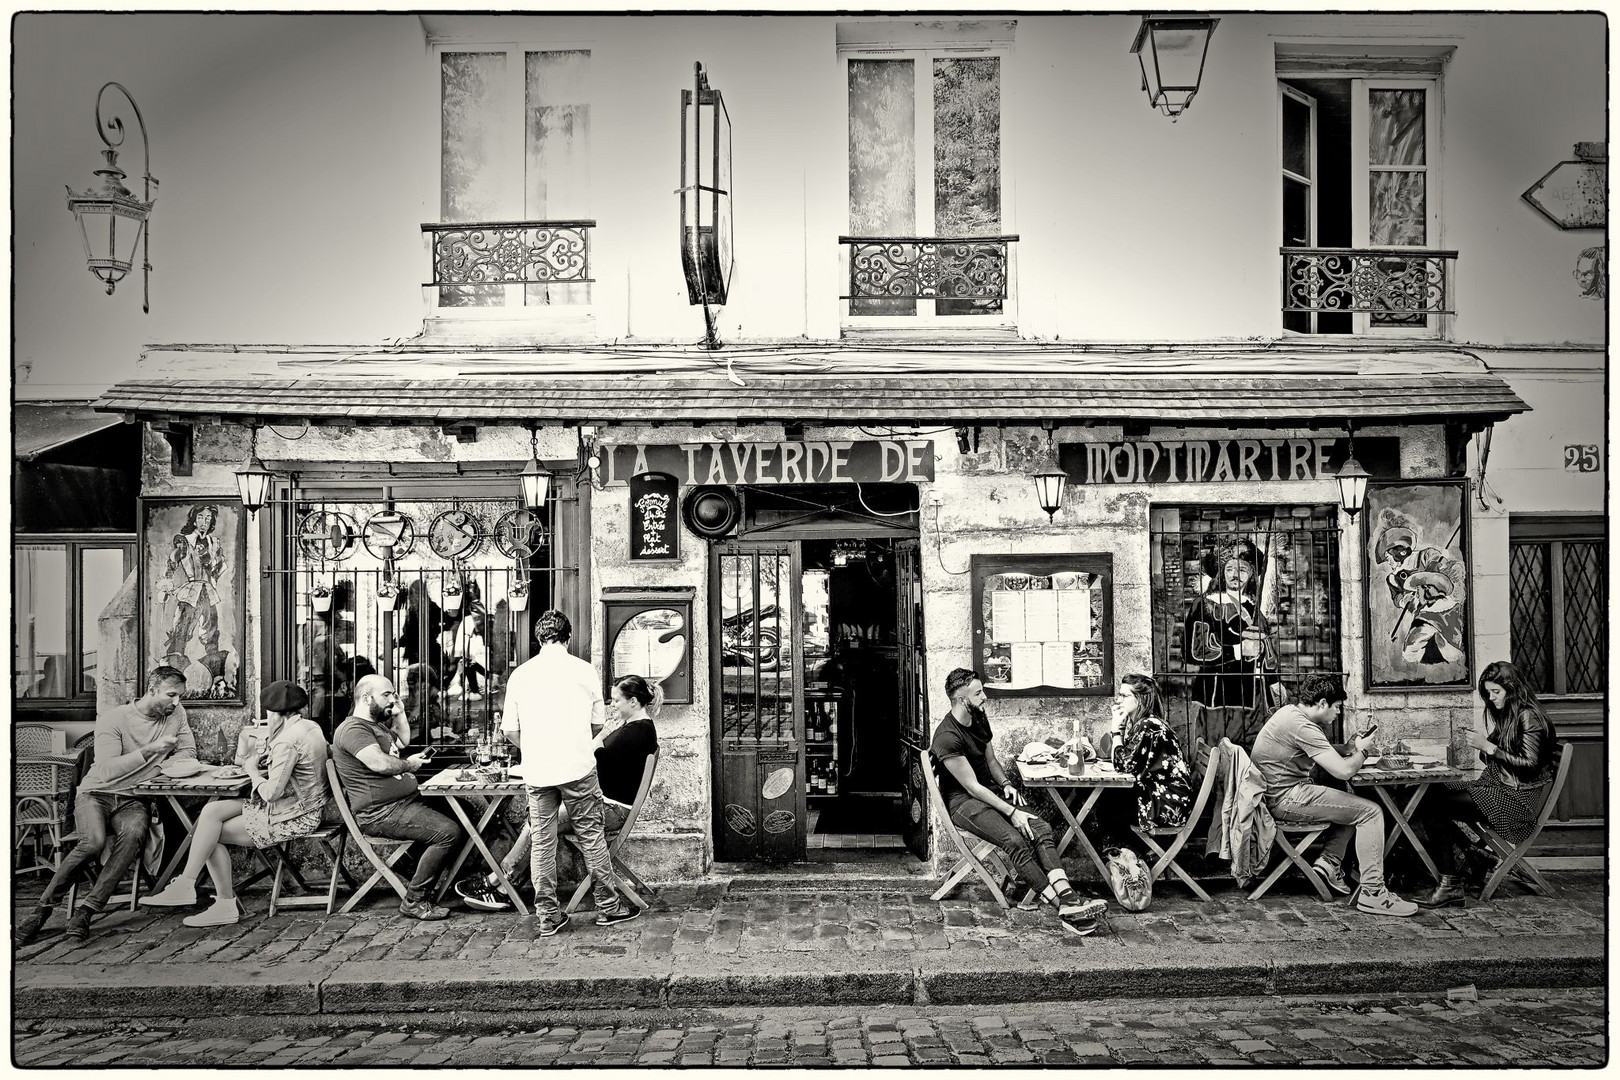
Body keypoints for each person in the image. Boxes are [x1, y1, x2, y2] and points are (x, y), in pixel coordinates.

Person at [16, 667, 197, 945]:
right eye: (171, 695)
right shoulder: (115, 719)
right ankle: (42, 910)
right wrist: (147, 752)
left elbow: (188, 752)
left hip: (134, 798)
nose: (176, 703)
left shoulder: (176, 714)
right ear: (152, 690)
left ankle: (87, 911)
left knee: (133, 837)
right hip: (96, 793)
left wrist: (159, 766)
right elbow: (107, 768)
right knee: (93, 842)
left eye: (180, 696)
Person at [457, 673, 661, 911]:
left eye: (616, 700)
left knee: (539, 823)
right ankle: (502, 885)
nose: (611, 705)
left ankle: (498, 882)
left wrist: (599, 739)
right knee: (537, 820)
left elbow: (592, 761)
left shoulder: (635, 733)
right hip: (604, 805)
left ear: (633, 702)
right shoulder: (636, 729)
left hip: (609, 810)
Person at [929, 667, 1106, 935]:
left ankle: (1068, 897)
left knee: (1040, 827)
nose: (985, 697)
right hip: (964, 803)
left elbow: (990, 761)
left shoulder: (978, 717)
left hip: (990, 791)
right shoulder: (947, 738)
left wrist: (1006, 784)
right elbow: (972, 787)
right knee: (1014, 840)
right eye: (978, 693)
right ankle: (1063, 907)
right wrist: (1012, 812)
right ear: (960, 700)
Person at [140, 681, 330, 926]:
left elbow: (272, 793)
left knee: (210, 834)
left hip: (294, 816)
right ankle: (187, 884)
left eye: (267, 714)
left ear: (274, 713)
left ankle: (225, 904)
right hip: (299, 804)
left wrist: (252, 770)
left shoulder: (287, 740)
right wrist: (266, 762)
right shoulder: (310, 726)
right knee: (211, 811)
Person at [500, 610, 639, 935]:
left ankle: (548, 916)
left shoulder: (521, 674)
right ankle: (609, 906)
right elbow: (597, 724)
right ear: (568, 637)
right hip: (578, 767)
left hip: (538, 769)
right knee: (591, 836)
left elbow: (509, 730)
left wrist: (534, 747)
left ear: (538, 639)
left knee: (542, 839)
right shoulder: (583, 670)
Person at [1250, 673, 1418, 917]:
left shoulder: (1290, 714)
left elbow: (1319, 751)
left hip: (1276, 794)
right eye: (1337, 707)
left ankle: (1329, 862)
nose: (1338, 713)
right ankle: (1374, 894)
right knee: (1370, 812)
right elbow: (1344, 770)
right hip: (1285, 799)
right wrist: (1363, 752)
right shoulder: (1303, 727)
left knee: (1349, 803)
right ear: (1321, 704)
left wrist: (1348, 748)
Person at [1413, 662, 1561, 908]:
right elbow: (1498, 755)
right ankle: (1473, 854)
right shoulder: (1509, 714)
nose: (1491, 699)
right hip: (1496, 789)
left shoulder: (1529, 716)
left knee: (1432, 805)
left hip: (1514, 801)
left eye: (1496, 692)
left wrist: (1488, 747)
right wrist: (1486, 746)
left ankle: (1451, 884)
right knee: (1430, 790)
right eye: (1488, 693)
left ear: (1512, 689)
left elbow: (1530, 765)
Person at [332, 674, 458, 921]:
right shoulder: (353, 729)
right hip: (381, 812)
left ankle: (409, 865)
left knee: (466, 811)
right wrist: (409, 766)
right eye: (386, 695)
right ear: (366, 698)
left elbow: (402, 741)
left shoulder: (376, 726)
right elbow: (379, 763)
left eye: (394, 693)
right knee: (448, 832)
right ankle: (415, 899)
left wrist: (399, 713)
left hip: (403, 803)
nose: (393, 698)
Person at [1182, 538, 1284, 710]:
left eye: (1242, 569)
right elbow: (1194, 651)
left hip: (1256, 695)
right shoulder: (1205, 605)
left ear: (1252, 575)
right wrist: (1237, 651)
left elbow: (1266, 650)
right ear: (1221, 573)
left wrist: (1274, 681)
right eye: (1229, 569)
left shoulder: (1253, 609)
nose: (1235, 575)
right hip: (1218, 696)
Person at [1107, 674, 1194, 831]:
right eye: (1120, 695)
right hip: (1162, 796)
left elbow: (1122, 765)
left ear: (1141, 699)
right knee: (1110, 800)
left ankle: (1138, 852)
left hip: (1166, 805)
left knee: (1109, 808)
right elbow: (1127, 760)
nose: (1118, 700)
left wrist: (1115, 732)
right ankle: (1132, 852)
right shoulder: (1145, 723)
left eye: (1124, 696)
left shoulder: (1148, 726)